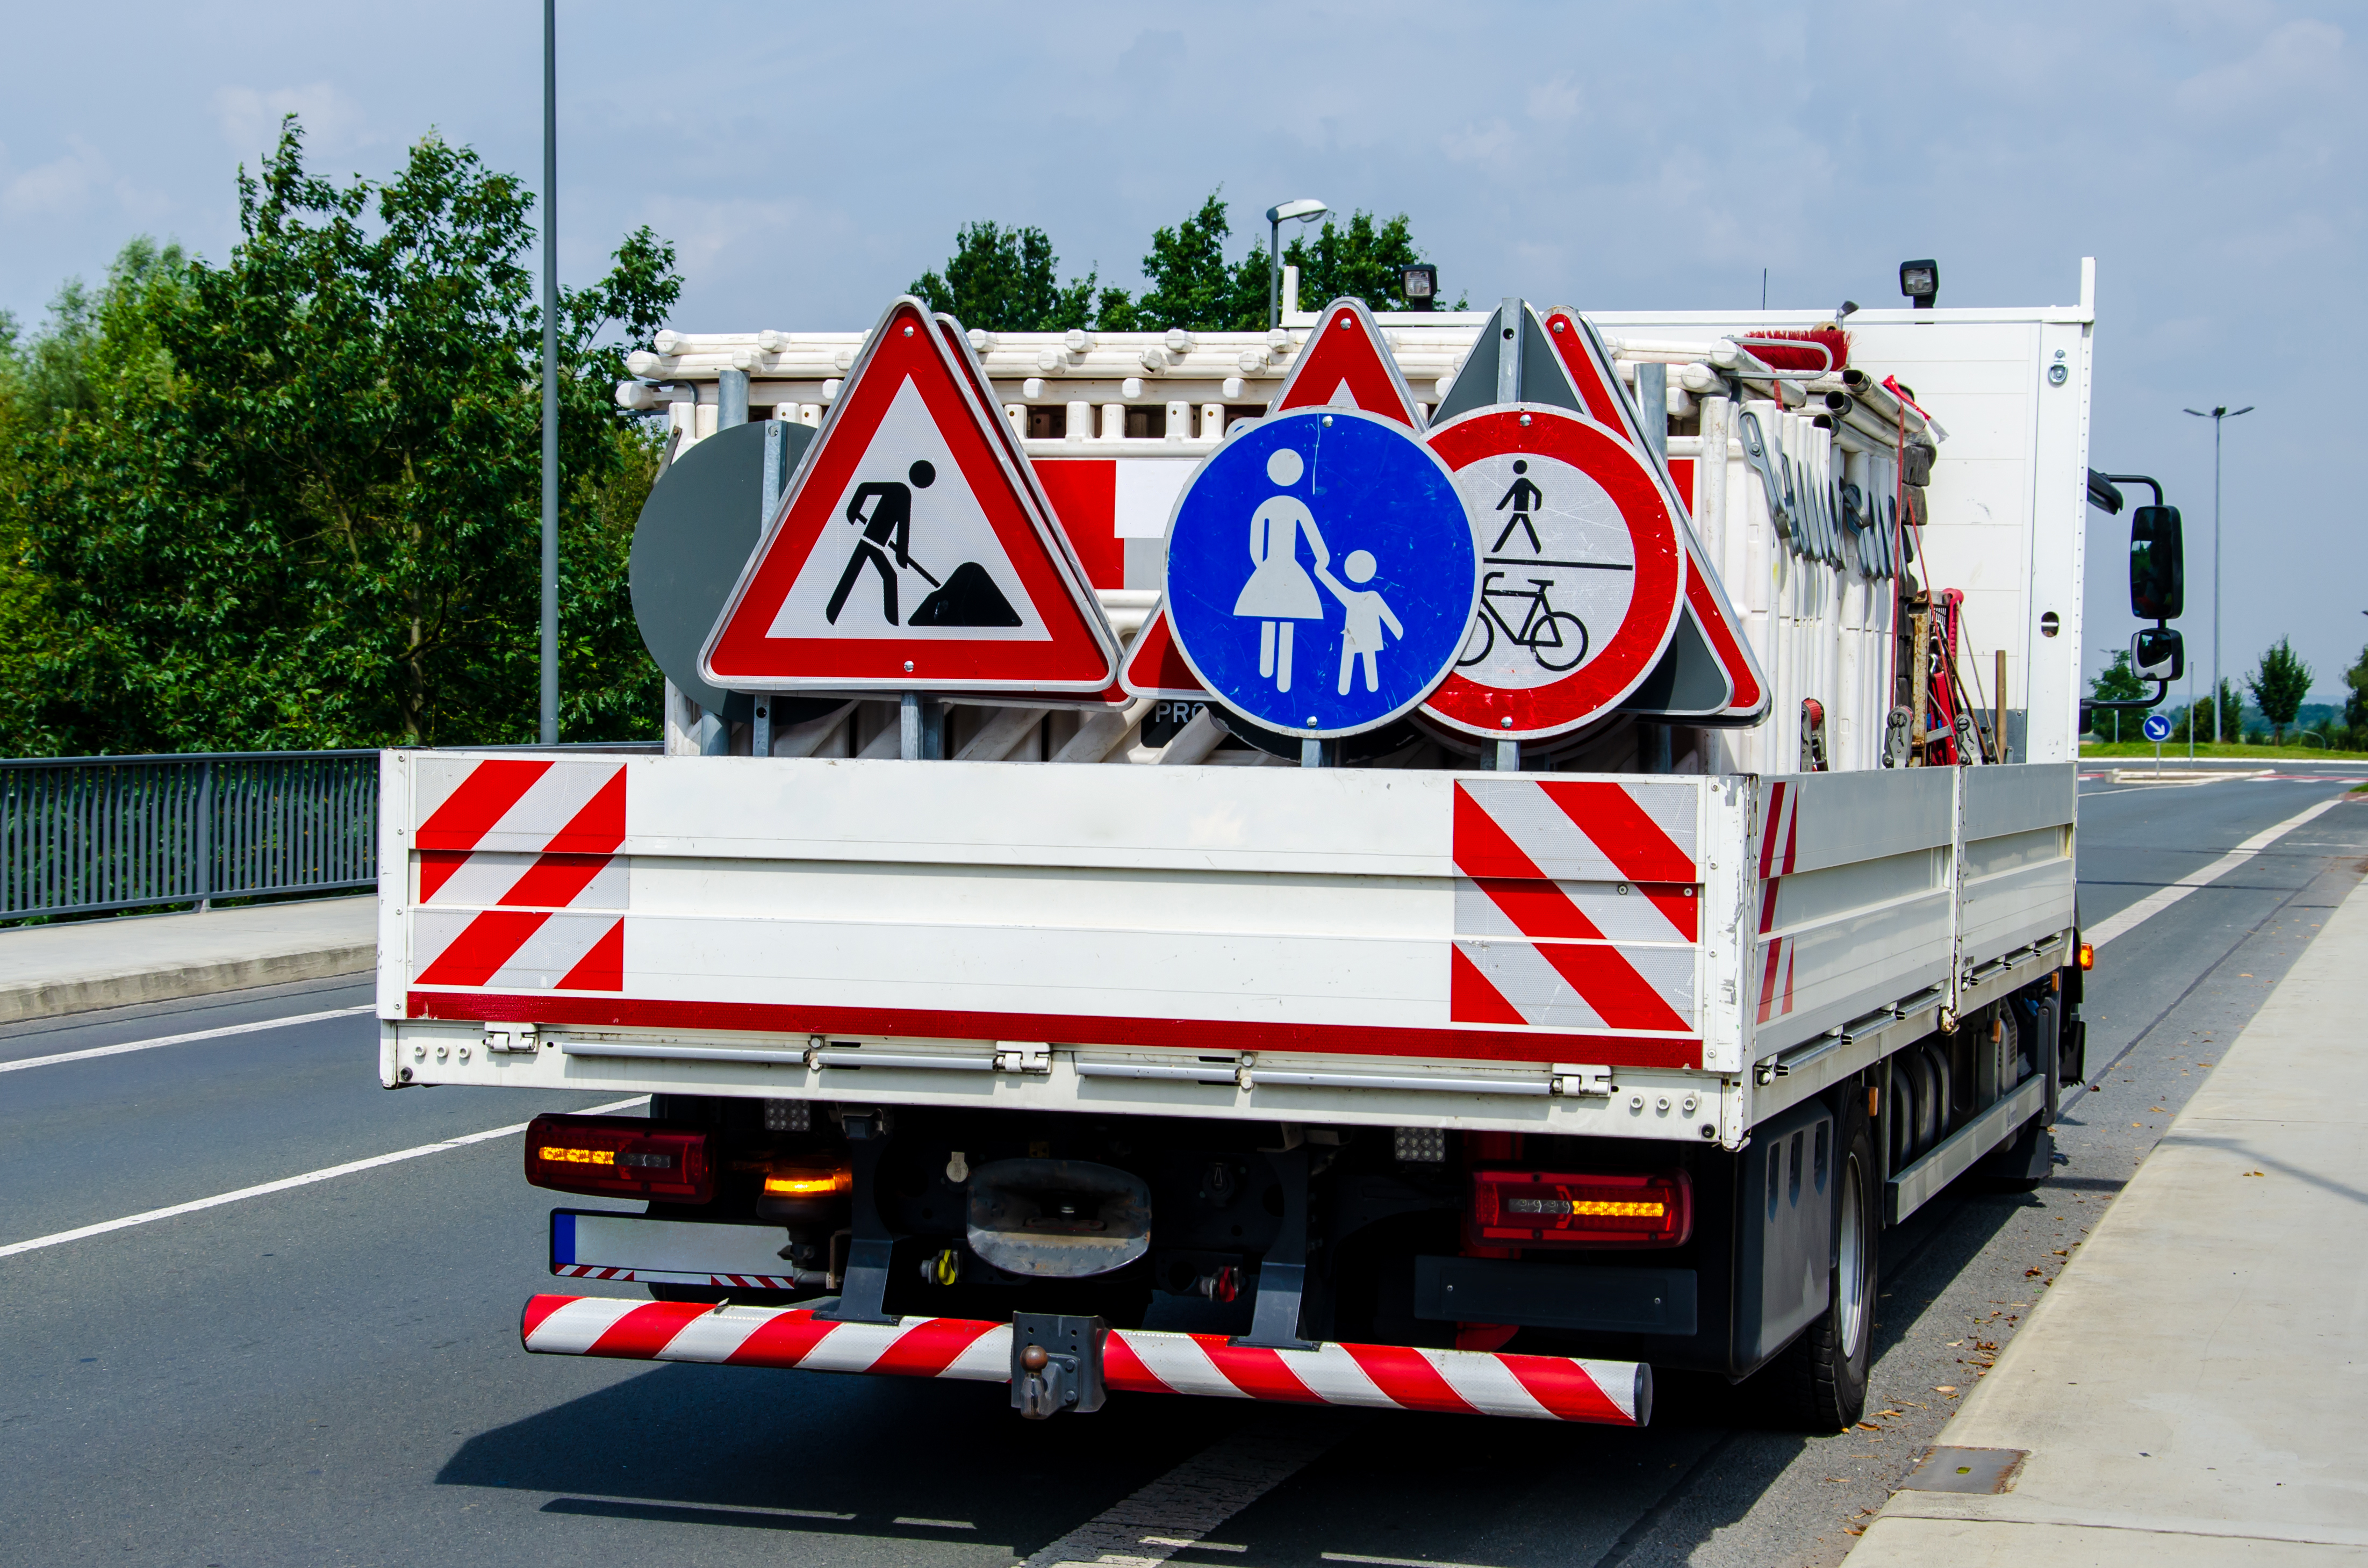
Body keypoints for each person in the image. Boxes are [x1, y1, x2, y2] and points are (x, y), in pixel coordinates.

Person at [1232, 447, 1329, 692]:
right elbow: (1314, 538)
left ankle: (1268, 672)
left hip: (1270, 567)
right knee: (1288, 618)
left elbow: (1255, 544)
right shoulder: (1297, 507)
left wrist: (1261, 568)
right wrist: (1322, 558)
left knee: (1270, 615)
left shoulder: (1266, 507)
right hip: (1289, 569)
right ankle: (1280, 679)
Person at [827, 461, 936, 625]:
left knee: (869, 574)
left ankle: (833, 614)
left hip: (876, 545)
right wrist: (853, 511)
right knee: (877, 575)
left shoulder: (903, 493)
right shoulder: (900, 491)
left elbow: (902, 527)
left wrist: (901, 555)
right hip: (869, 541)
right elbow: (865, 488)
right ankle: (833, 614)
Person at [1316, 550, 1404, 696]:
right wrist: (1398, 631)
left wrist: (1321, 572)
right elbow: (1390, 619)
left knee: (1357, 659)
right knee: (1359, 659)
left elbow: (1337, 588)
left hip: (1359, 636)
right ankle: (1360, 690)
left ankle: (1350, 691)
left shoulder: (1360, 597)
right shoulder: (1370, 596)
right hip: (1357, 635)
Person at [1492, 459, 1544, 553]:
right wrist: (1500, 507)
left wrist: (1537, 507)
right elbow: (1538, 494)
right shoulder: (1522, 482)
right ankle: (1538, 549)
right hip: (1520, 511)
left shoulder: (1523, 482)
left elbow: (1538, 493)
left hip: (1521, 511)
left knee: (1521, 528)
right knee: (1522, 528)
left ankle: (1538, 549)